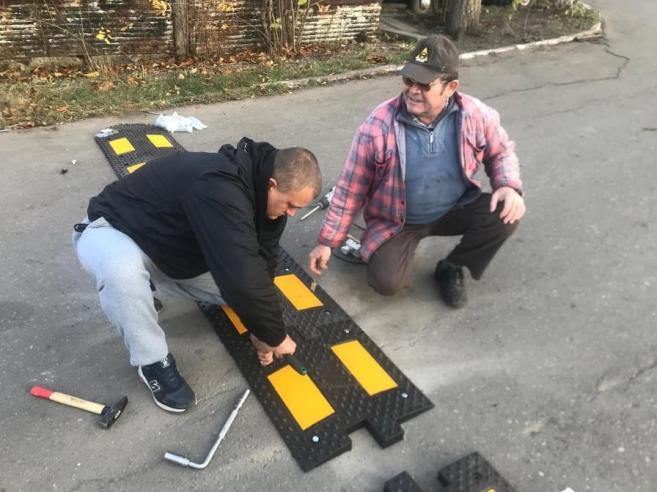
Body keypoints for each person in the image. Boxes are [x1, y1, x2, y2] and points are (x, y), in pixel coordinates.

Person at [74, 138, 321, 413]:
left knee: (241, 296)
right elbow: (242, 277)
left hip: (168, 251)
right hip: (114, 231)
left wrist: (261, 328)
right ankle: (152, 361)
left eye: (297, 208)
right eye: (290, 205)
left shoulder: (268, 202)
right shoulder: (219, 187)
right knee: (122, 273)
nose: (292, 213)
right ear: (272, 184)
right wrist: (275, 337)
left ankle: (144, 288)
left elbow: (263, 264)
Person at [308, 35, 525, 307]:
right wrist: (328, 241)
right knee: (388, 282)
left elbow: (501, 151)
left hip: (455, 208)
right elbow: (351, 187)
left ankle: (453, 266)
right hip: (398, 222)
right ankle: (392, 254)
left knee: (507, 212)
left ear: (450, 87)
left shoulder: (475, 114)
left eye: (424, 84)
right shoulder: (378, 126)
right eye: (409, 80)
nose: (412, 90)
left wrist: (507, 185)